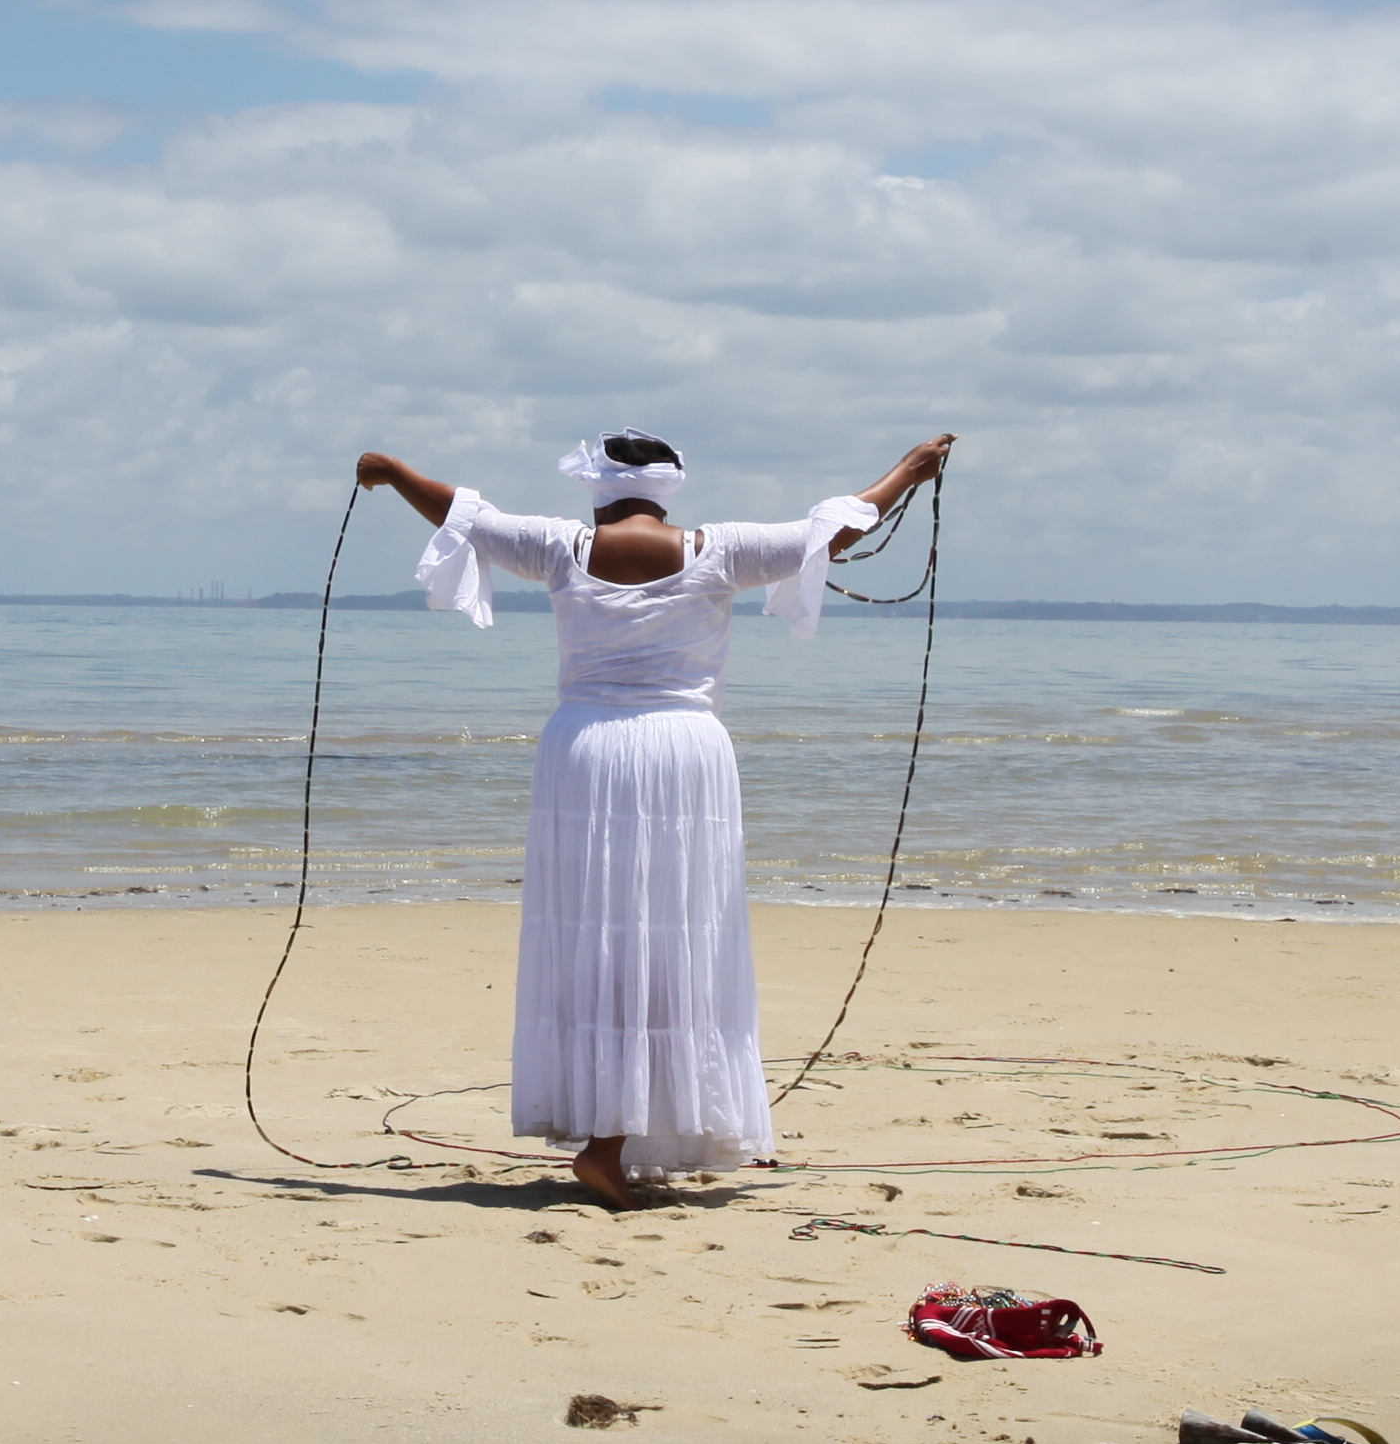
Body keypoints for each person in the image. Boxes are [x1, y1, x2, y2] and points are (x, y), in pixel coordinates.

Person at [347, 426, 959, 1208]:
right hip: (683, 755)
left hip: (586, 751)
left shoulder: (558, 546)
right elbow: (831, 531)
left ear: (593, 483)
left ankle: (615, 1132)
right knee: (674, 937)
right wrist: (909, 469)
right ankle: (614, 1140)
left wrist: (393, 471)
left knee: (600, 938)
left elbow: (464, 514)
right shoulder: (721, 549)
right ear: (672, 483)